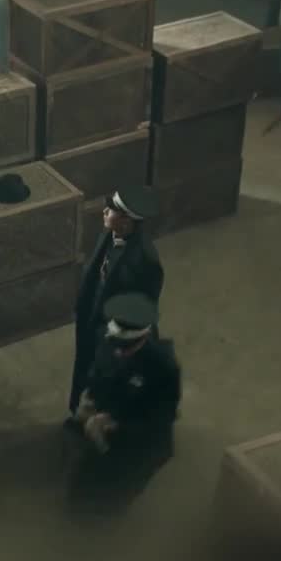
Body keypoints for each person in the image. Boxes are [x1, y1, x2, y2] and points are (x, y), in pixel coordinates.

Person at [65, 293, 181, 514]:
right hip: (99, 433)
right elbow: (98, 373)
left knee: (114, 497)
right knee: (81, 484)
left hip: (138, 448)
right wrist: (89, 400)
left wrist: (115, 423)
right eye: (116, 344)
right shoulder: (107, 340)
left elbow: (160, 421)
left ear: (142, 338)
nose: (118, 351)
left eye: (126, 347)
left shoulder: (163, 368)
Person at [69, 185, 164, 418]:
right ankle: (80, 414)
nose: (104, 212)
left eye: (111, 210)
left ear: (127, 221)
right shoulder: (109, 233)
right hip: (92, 317)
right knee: (86, 367)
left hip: (115, 332)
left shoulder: (146, 260)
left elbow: (144, 307)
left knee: (109, 380)